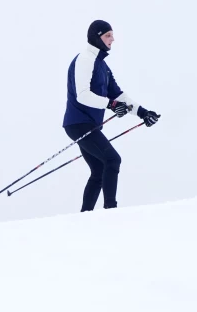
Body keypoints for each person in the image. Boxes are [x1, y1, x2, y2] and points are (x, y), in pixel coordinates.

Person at [63, 20, 160, 211]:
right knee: (112, 160)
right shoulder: (85, 59)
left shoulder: (102, 66)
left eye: (112, 35)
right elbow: (82, 95)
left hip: (88, 124)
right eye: (108, 35)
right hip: (79, 123)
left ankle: (84, 217)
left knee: (99, 170)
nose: (112, 39)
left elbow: (117, 94)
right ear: (96, 37)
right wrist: (111, 105)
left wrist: (143, 112)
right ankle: (111, 211)